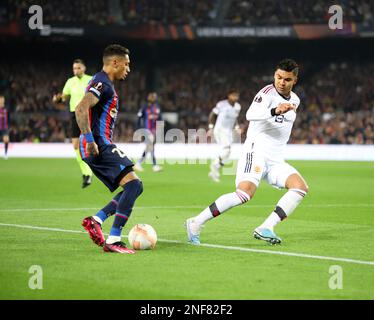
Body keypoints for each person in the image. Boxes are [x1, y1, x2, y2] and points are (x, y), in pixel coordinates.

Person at [186, 59, 309, 245]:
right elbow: (250, 115)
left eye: (287, 79)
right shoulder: (266, 94)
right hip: (256, 152)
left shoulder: (295, 100)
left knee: (300, 187)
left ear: (295, 81)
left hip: (276, 159)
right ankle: (196, 222)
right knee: (244, 194)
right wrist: (275, 110)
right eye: (278, 77)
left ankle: (266, 227)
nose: (281, 82)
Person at [76, 44, 143, 254]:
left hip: (100, 143)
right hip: (98, 144)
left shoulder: (104, 84)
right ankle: (113, 239)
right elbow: (81, 107)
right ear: (115, 63)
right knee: (133, 186)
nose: (128, 69)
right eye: (127, 64)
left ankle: (96, 220)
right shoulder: (101, 82)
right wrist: (89, 139)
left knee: (134, 187)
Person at [53, 59, 93, 188]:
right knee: (76, 145)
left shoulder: (91, 80)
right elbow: (63, 97)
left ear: (84, 68)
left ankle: (92, 171)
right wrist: (57, 99)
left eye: (78, 68)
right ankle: (86, 173)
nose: (76, 70)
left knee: (91, 143)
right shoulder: (70, 82)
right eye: (74, 68)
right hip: (74, 114)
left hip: (88, 113)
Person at [208, 89, 241, 182]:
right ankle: (214, 165)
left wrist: (237, 127)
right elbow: (212, 115)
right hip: (219, 129)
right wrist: (210, 127)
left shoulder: (238, 107)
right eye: (233, 95)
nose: (235, 97)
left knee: (228, 153)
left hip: (228, 131)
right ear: (229, 95)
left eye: (237, 96)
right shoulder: (221, 104)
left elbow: (235, 118)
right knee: (226, 149)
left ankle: (215, 168)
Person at [134, 92, 163, 172]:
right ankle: (154, 165)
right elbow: (139, 118)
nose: (154, 98)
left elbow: (160, 118)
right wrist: (139, 129)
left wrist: (160, 127)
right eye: (153, 97)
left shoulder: (157, 107)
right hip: (147, 130)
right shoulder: (144, 107)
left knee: (149, 147)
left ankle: (138, 164)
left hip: (154, 130)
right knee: (151, 146)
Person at [0, 95, 9, 160]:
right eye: (1, 99)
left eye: (3, 99)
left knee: (6, 139)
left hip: (4, 127)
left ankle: (5, 154)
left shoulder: (6, 108)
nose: (2, 101)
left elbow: (8, 117)